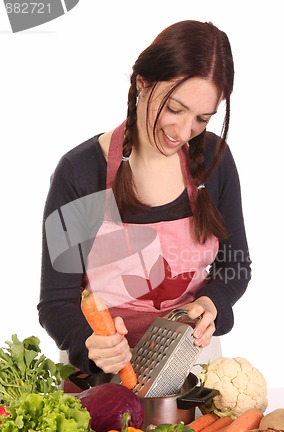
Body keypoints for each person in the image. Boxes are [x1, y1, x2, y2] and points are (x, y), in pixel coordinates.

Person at [37, 20, 251, 384]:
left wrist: (211, 302)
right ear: (141, 82)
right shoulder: (83, 173)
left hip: (189, 366)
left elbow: (235, 264)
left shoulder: (214, 161)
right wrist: (88, 343)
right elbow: (56, 301)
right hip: (100, 376)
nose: (183, 133)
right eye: (174, 108)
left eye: (202, 118)